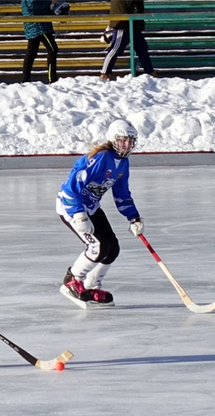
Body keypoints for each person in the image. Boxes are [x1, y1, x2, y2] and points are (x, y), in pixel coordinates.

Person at [56, 118, 144, 308]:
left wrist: (133, 216)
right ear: (113, 139)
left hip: (92, 207)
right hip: (71, 206)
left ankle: (91, 285)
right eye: (122, 140)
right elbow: (72, 188)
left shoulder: (123, 163)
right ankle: (72, 281)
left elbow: (121, 193)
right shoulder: (102, 157)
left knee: (112, 249)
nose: (127, 144)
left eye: (130, 140)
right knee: (97, 247)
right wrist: (79, 214)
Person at [101, 0, 156, 80]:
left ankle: (150, 71)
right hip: (123, 22)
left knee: (142, 48)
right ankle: (105, 72)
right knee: (115, 49)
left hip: (132, 21)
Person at [21, 1, 69, 84]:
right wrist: (51, 2)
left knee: (32, 52)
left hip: (40, 24)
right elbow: (32, 5)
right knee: (52, 48)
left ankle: (25, 79)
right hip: (38, 25)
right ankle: (52, 78)